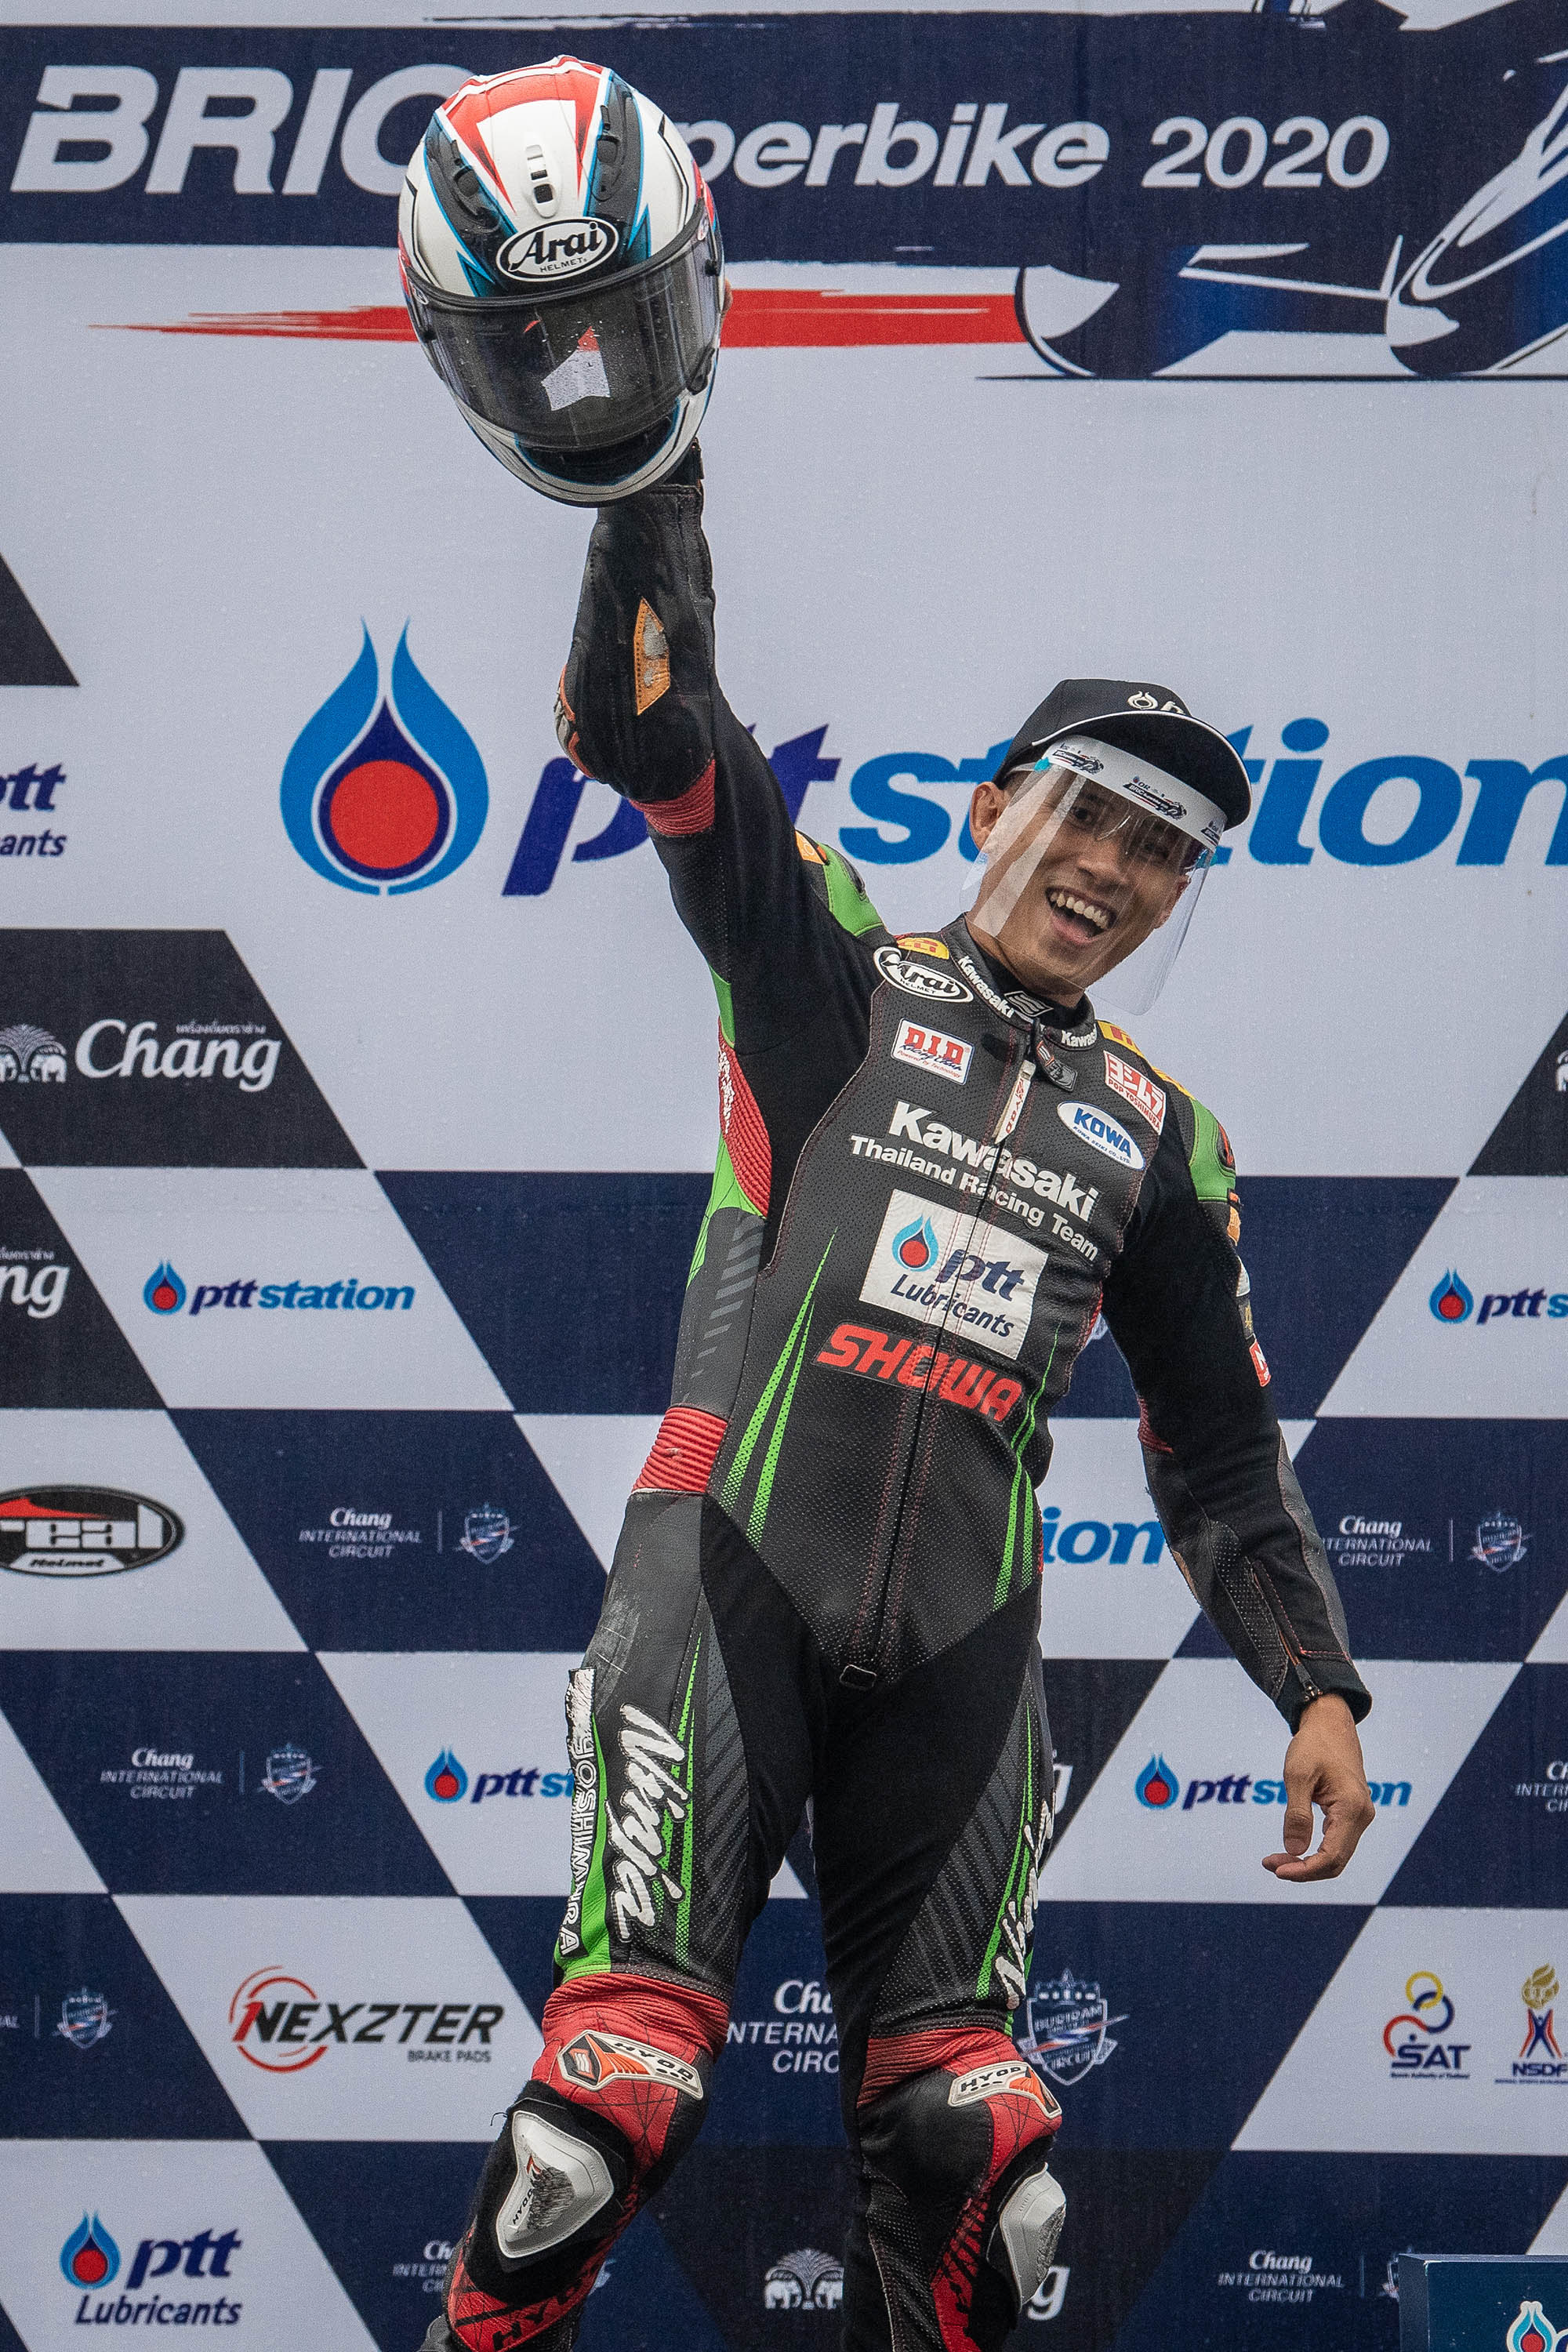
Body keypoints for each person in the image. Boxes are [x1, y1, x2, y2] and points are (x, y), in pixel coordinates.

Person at [424, 447, 1375, 2352]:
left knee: (976, 2152)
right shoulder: (832, 969)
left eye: (1161, 850)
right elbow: (650, 724)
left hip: (964, 1647)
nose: (1110, 867)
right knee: (607, 2109)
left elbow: (1219, 1458)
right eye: (1086, 811)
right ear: (995, 806)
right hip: (725, 1578)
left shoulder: (1161, 1140)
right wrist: (649, 478)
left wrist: (1317, 1685)